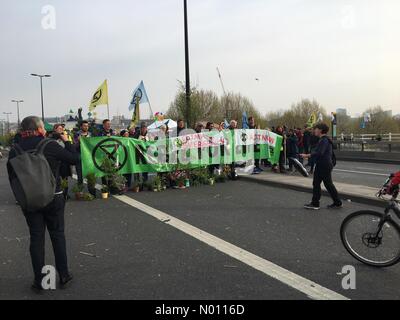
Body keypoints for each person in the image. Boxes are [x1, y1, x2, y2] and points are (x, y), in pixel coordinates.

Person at [7, 116, 79, 292]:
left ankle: (39, 281)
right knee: (57, 235)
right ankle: (63, 275)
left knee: (36, 238)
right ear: (40, 128)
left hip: (30, 201)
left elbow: (13, 176)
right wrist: (66, 140)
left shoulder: (14, 150)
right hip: (54, 198)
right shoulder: (49, 145)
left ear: (22, 131)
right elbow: (73, 159)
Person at [300, 123, 342, 210]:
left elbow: (320, 152)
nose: (314, 130)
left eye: (316, 129)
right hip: (324, 164)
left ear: (320, 130)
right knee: (326, 184)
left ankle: (315, 204)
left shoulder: (324, 140)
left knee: (319, 184)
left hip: (323, 165)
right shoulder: (323, 139)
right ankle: (337, 202)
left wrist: (308, 155)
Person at [49, 124, 73, 200]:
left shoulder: (66, 136)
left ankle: (65, 193)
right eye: (59, 128)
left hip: (64, 161)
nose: (61, 130)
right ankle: (57, 193)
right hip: (55, 162)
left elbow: (70, 146)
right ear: (55, 129)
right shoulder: (51, 138)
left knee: (65, 178)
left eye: (62, 128)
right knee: (55, 178)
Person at [73, 121, 92, 185]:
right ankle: (80, 192)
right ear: (81, 127)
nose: (86, 127)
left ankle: (92, 193)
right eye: (84, 126)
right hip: (79, 157)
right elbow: (74, 146)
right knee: (80, 177)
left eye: (87, 126)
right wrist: (78, 141)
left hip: (88, 158)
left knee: (90, 177)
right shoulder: (77, 134)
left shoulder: (90, 134)